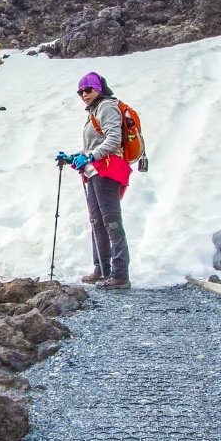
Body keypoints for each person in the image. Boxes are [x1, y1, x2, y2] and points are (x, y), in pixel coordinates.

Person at [56, 71, 132, 287]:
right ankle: (101, 269)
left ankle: (119, 274)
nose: (84, 94)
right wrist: (74, 157)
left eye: (88, 90)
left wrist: (88, 156)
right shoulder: (94, 112)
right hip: (95, 172)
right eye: (81, 92)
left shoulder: (107, 106)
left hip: (108, 171)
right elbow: (92, 147)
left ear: (98, 89)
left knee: (111, 221)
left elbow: (114, 140)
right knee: (97, 221)